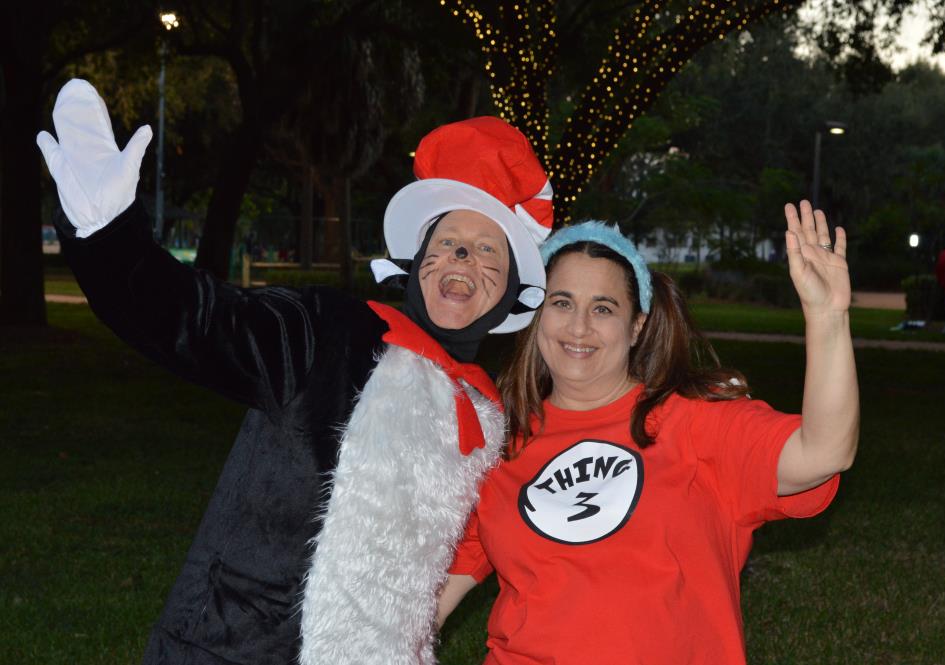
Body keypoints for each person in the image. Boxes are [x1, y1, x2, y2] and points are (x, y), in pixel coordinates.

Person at [37, 79, 554, 665]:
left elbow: (488, 539)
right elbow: (199, 323)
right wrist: (111, 237)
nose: (464, 256)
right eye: (449, 240)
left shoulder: (487, 418)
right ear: (417, 263)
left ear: (510, 290)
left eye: (489, 250)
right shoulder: (328, 333)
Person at [437, 205, 860, 664]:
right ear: (537, 315)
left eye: (603, 308)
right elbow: (421, 606)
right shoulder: (497, 446)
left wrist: (827, 317)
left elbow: (824, 451)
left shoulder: (694, 421)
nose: (579, 327)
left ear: (637, 325)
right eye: (561, 303)